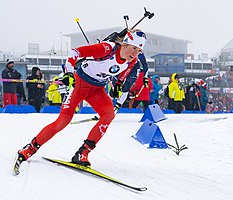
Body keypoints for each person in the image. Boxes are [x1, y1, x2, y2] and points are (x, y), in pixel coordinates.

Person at [16, 29, 146, 168]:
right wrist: (69, 73)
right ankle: (31, 148)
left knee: (109, 114)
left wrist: (119, 84)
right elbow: (75, 52)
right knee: (63, 121)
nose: (135, 54)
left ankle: (83, 152)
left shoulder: (132, 61)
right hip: (79, 85)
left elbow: (124, 71)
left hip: (97, 89)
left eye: (139, 51)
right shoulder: (107, 48)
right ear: (125, 44)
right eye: (133, 48)